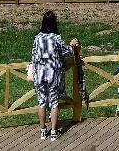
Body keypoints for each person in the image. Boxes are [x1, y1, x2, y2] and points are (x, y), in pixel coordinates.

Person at [32, 10, 79, 142]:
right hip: (53, 75)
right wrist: (73, 45)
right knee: (54, 103)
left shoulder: (37, 38)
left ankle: (42, 131)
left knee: (41, 103)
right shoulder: (56, 38)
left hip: (40, 75)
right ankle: (53, 132)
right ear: (54, 23)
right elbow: (67, 52)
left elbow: (34, 56)